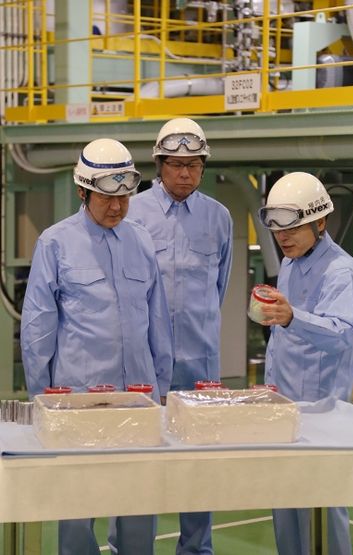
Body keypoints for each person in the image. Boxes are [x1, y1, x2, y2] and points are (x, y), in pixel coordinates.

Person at [20, 138, 174, 555]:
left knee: (139, 500)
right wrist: (42, 402)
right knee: (78, 502)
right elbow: (38, 330)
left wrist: (160, 389)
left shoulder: (141, 242)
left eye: (124, 197)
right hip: (79, 403)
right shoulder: (55, 243)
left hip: (139, 399)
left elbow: (157, 322)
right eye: (107, 197)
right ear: (82, 192)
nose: (118, 207)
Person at [109, 117, 233, 555]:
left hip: (200, 366)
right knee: (137, 461)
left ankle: (197, 549)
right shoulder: (131, 212)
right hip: (142, 366)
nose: (185, 173)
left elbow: (220, 286)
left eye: (194, 164)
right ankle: (130, 546)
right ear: (159, 165)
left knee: (198, 466)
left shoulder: (219, 219)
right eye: (176, 164)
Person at [258, 171, 353, 555]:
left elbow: (343, 335)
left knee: (322, 506)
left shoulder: (341, 272)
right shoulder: (290, 262)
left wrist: (291, 317)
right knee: (284, 502)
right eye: (277, 229)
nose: (283, 237)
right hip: (285, 408)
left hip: (322, 412)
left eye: (293, 228)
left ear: (320, 222)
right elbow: (285, 335)